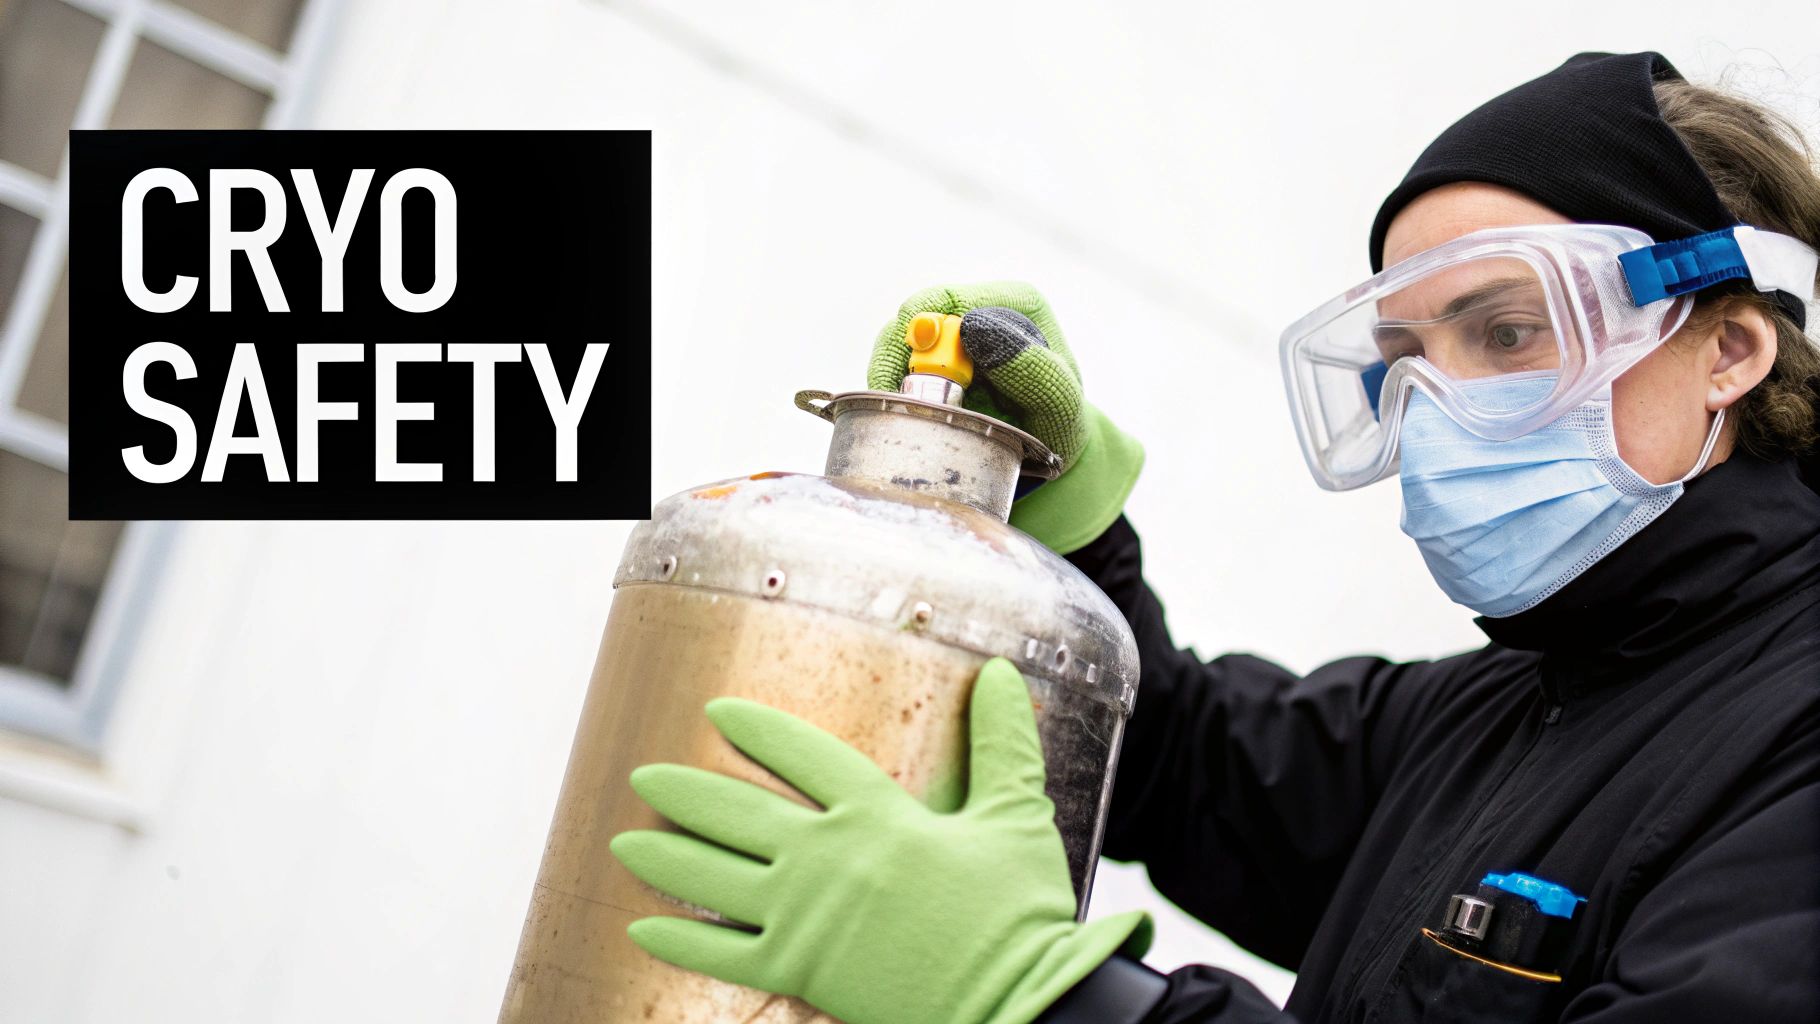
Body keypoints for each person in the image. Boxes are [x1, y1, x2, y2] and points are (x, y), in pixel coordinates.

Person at [609, 51, 1820, 1022]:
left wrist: (1052, 999)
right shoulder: (1514, 706)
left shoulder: (1789, 741)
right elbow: (1188, 769)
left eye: (1504, 333)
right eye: (1400, 364)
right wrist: (1068, 533)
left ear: (1726, 349)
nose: (1438, 412)